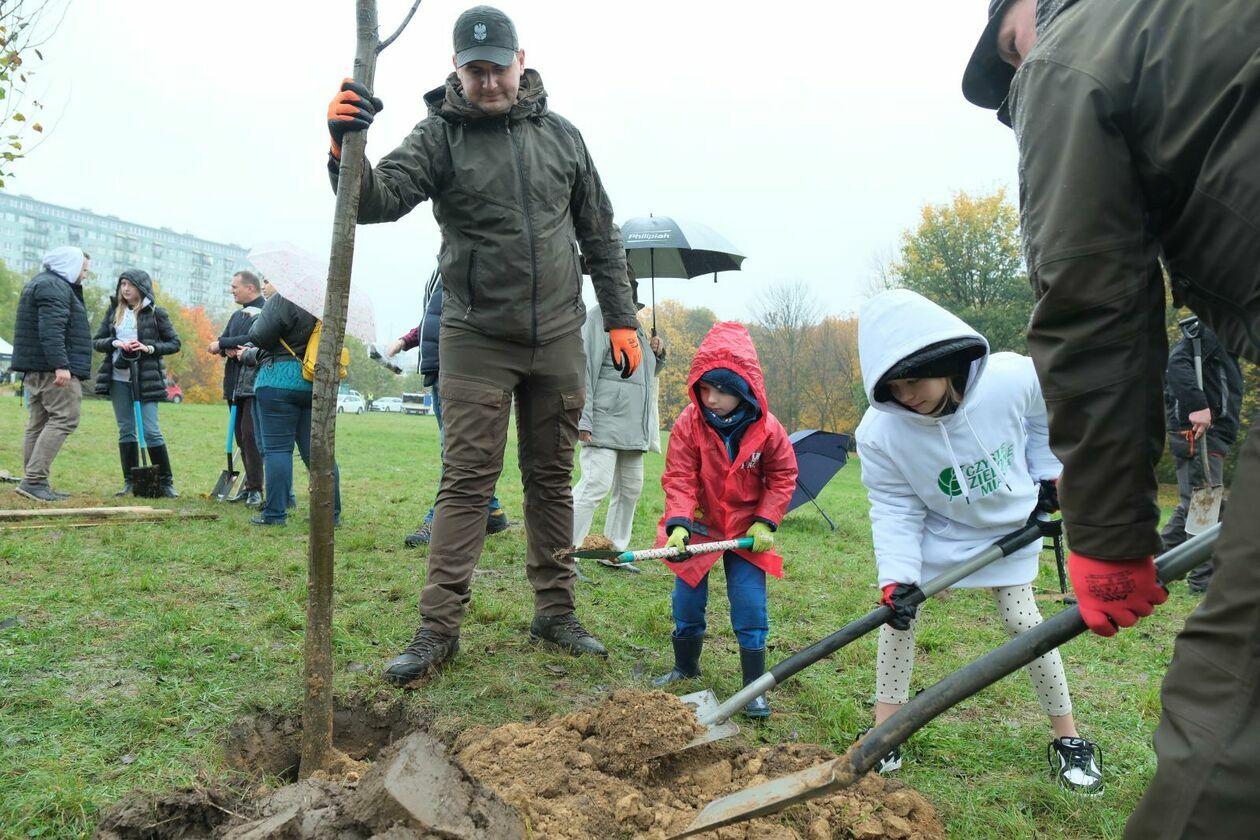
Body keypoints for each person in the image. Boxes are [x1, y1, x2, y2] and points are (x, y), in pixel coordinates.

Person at [963, 0, 1260, 832]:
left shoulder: (1070, 51)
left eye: (1009, 49)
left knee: (1232, 702)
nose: (1021, 75)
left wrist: (1104, 535)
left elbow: (1094, 304)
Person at [325, 5, 642, 683]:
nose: (490, 81)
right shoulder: (439, 136)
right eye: (476, 71)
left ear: (521, 60)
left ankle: (555, 613)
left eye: (499, 67)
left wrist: (621, 318)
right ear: (456, 71)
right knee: (467, 482)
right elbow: (375, 201)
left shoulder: (564, 138)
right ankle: (438, 631)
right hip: (475, 334)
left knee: (552, 480)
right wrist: (342, 148)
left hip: (557, 333)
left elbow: (600, 234)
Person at [855, 289, 1101, 795]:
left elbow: (1045, 415)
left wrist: (1047, 476)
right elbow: (896, 508)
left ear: (944, 362)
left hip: (1011, 525)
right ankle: (884, 736)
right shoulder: (880, 433)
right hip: (938, 531)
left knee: (1024, 622)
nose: (908, 397)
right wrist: (897, 580)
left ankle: (1070, 740)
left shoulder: (1012, 378)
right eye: (895, 388)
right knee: (898, 620)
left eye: (915, 381)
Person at [651, 322, 796, 718]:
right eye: (704, 387)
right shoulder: (689, 423)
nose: (710, 398)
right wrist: (678, 522)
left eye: (721, 390)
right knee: (687, 600)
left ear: (744, 390)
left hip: (748, 531)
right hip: (699, 523)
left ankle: (754, 687)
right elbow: (679, 475)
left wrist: (766, 521)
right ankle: (685, 667)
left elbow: (782, 476)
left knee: (750, 605)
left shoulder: (768, 430)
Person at [385, 265, 510, 547]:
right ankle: (492, 511)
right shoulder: (441, 269)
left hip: (460, 370)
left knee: (454, 452)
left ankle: (437, 520)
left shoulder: (469, 266)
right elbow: (435, 318)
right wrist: (404, 341)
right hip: (438, 369)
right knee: (460, 449)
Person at [572, 266, 667, 551]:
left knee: (630, 490)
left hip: (633, 428)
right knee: (594, 486)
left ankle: (613, 551)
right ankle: (566, 552)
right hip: (603, 423)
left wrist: (656, 353)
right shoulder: (596, 320)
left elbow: (642, 376)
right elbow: (583, 371)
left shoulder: (635, 326)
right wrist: (583, 421)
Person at [1160, 318, 1243, 592]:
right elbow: (1177, 363)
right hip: (1198, 432)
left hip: (1212, 433)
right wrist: (1198, 405)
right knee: (1205, 505)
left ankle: (1155, 566)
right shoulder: (1212, 330)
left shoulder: (1224, 341)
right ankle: (1203, 580)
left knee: (1193, 505)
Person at [246, 290, 342, 527]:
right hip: (314, 382)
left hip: (278, 378)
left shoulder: (286, 296)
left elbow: (260, 336)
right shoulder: (327, 301)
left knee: (278, 450)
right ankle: (330, 514)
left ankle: (276, 514)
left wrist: (258, 318)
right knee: (317, 453)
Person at [10, 246, 92, 502]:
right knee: (65, 417)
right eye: (84, 269)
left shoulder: (41, 283)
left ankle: (32, 479)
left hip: (36, 367)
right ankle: (34, 480)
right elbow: (52, 329)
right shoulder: (55, 287)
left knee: (38, 421)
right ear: (69, 265)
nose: (85, 275)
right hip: (51, 370)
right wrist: (61, 365)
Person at [91, 269, 182, 498]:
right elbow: (98, 342)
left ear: (141, 287)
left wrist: (148, 347)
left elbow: (174, 343)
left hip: (146, 379)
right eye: (122, 284)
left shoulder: (156, 313)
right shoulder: (114, 311)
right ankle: (130, 482)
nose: (125, 288)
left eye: (130, 284)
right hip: (118, 378)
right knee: (126, 430)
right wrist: (115, 343)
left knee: (151, 430)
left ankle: (165, 482)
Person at [208, 270, 267, 507]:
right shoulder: (236, 315)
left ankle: (256, 490)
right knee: (241, 438)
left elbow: (254, 339)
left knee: (251, 436)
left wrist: (222, 345)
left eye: (235, 287)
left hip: (252, 385)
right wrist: (226, 348)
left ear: (250, 288)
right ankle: (249, 486)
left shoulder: (264, 312)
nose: (232, 290)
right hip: (234, 383)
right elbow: (224, 342)